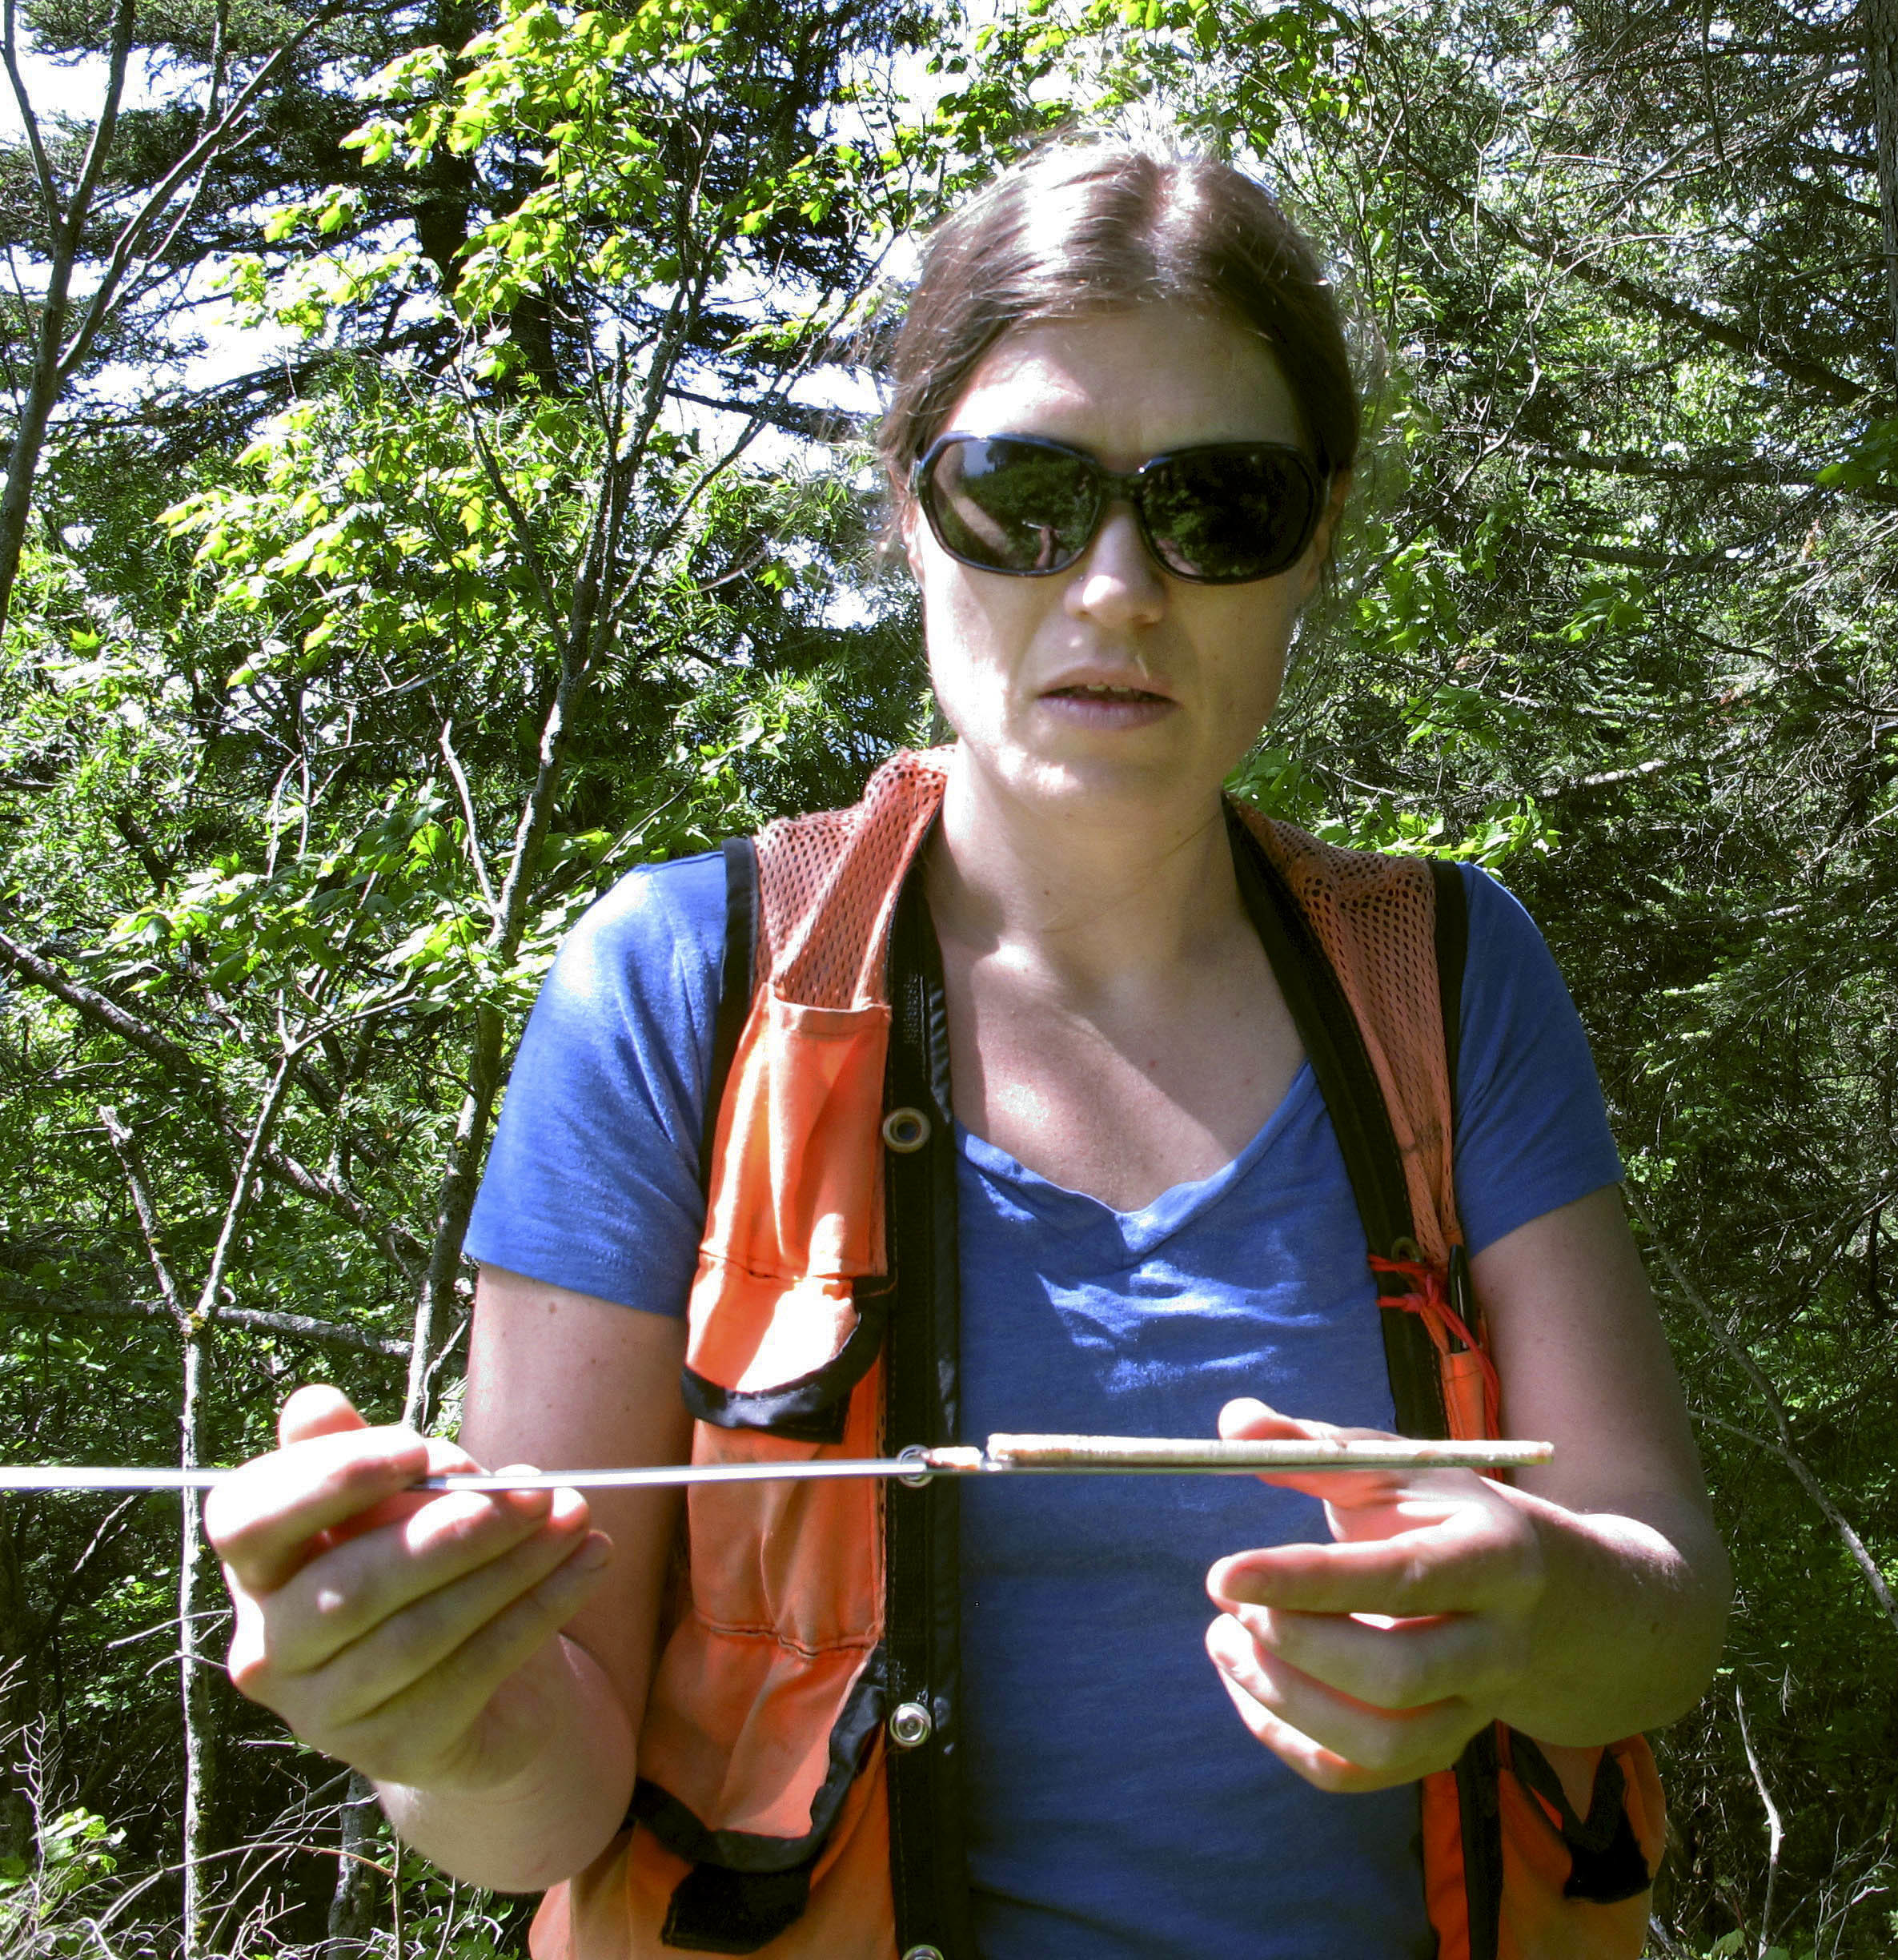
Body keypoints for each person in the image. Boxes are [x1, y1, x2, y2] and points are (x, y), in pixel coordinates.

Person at [206, 136, 1727, 1960]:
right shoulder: (677, 985)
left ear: (1313, 536)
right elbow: (543, 1804)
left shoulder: (1455, 973)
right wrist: (420, 1709)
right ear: (911, 507)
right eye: (1026, 490)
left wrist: (1538, 1606)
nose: (1116, 592)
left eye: (1217, 506)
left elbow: (1666, 1602)